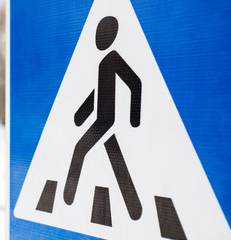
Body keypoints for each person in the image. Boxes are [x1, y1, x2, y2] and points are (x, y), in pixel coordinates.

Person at [64, 16, 142, 220]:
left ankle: (66, 199)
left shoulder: (113, 58)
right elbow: (98, 93)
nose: (98, 38)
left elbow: (135, 83)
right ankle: (135, 208)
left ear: (110, 36)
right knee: (117, 160)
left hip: (105, 121)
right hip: (103, 120)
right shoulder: (103, 62)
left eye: (101, 34)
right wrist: (80, 115)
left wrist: (135, 117)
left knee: (79, 149)